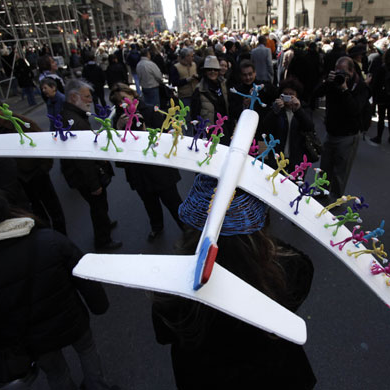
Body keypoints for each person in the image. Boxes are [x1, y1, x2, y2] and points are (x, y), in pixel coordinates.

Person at [152, 174, 316, 390]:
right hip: (275, 376)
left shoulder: (173, 284)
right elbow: (304, 267)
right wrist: (261, 243)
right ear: (260, 225)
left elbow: (164, 336)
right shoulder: (285, 271)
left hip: (203, 377)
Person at [0, 186, 119, 389]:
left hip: (31, 339)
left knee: (56, 372)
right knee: (87, 350)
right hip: (71, 319)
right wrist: (99, 304)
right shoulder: (49, 240)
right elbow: (84, 276)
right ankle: (97, 385)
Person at [0, 94, 67, 235]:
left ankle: (61, 236)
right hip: (20, 180)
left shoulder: (22, 123)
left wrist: (43, 169)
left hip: (37, 174)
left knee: (52, 208)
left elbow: (44, 145)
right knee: (36, 211)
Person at [109, 83, 185, 240]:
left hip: (159, 169)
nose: (122, 103)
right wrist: (118, 128)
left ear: (133, 96)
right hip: (138, 172)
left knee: (173, 202)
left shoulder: (150, 110)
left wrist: (144, 130)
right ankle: (157, 227)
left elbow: (164, 139)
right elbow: (116, 148)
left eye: (124, 98)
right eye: (117, 102)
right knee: (150, 204)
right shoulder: (118, 118)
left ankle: (188, 229)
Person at [60, 79, 122, 251]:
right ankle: (103, 241)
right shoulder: (75, 121)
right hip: (87, 177)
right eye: (86, 97)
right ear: (73, 97)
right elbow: (82, 158)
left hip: (84, 174)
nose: (90, 100)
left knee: (100, 207)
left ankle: (105, 225)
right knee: (98, 207)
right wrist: (94, 184)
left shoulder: (72, 115)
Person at [314, 56, 369, 199]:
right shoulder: (332, 83)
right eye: (337, 71)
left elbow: (355, 109)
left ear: (351, 71)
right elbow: (315, 94)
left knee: (340, 171)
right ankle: (322, 191)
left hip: (347, 135)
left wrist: (345, 90)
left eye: (343, 72)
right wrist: (327, 82)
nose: (340, 75)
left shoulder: (361, 87)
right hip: (331, 132)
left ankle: (335, 198)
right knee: (325, 167)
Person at [261, 78, 314, 170]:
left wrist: (298, 110)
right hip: (277, 158)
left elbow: (309, 127)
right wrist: (275, 111)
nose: (288, 97)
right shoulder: (276, 109)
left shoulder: (304, 109)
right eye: (285, 94)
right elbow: (265, 127)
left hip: (296, 159)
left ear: (297, 95)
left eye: (291, 95)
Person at [190, 56, 231, 143]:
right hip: (208, 131)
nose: (213, 72)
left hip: (223, 129)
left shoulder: (223, 85)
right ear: (205, 71)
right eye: (209, 69)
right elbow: (194, 114)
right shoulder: (199, 90)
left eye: (215, 69)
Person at [370, 47, 390, 144]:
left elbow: (376, 83)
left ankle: (379, 137)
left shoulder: (382, 67)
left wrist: (374, 95)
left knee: (381, 117)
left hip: (382, 95)